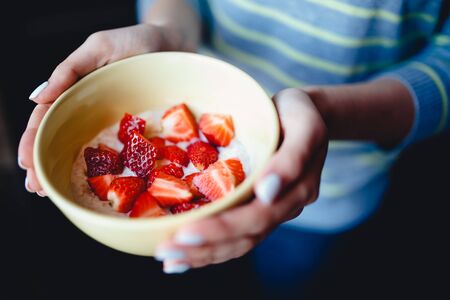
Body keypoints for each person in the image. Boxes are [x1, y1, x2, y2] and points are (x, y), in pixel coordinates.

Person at [18, 0, 450, 292]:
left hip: (333, 191)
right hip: (201, 89)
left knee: (289, 277)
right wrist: (167, 32)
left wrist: (327, 112)